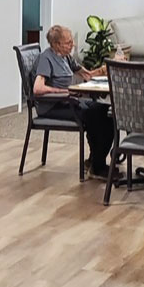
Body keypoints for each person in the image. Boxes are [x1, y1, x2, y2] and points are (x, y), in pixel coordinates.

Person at [32, 24, 113, 178]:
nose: (72, 45)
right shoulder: (46, 58)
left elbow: (87, 75)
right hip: (53, 106)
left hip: (69, 101)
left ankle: (95, 162)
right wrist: (66, 91)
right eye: (68, 43)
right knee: (95, 116)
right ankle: (98, 167)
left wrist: (104, 70)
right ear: (56, 44)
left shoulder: (65, 57)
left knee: (106, 111)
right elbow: (38, 89)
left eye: (72, 41)